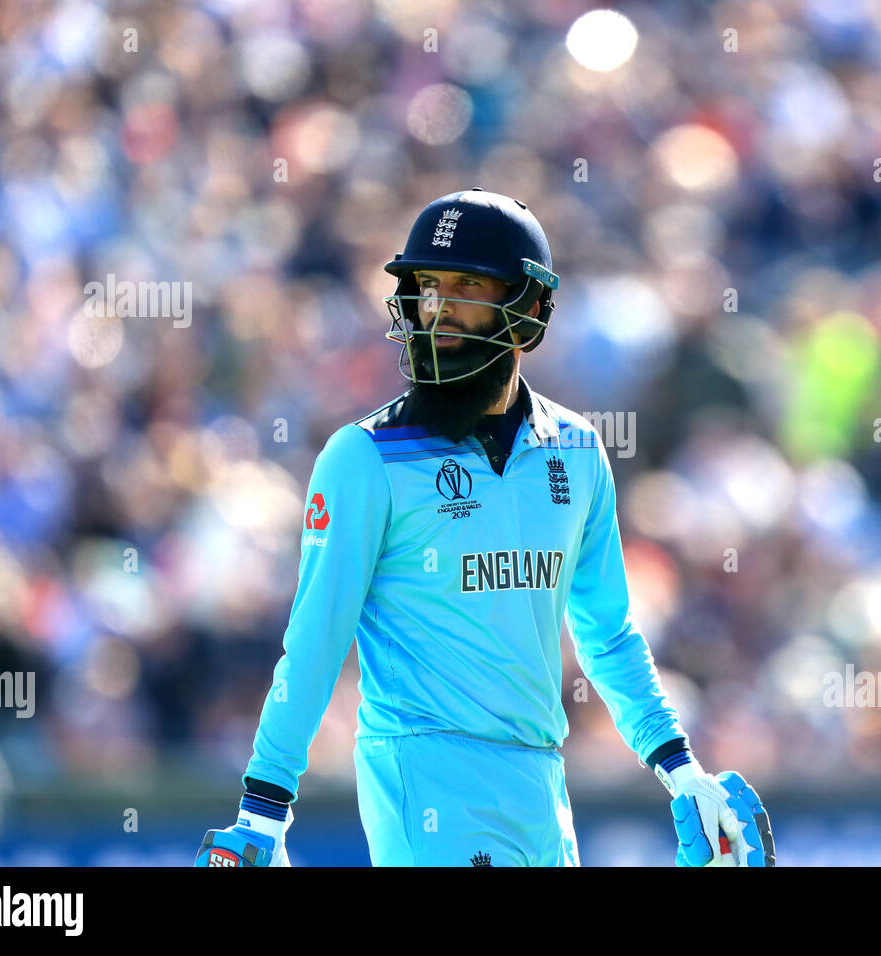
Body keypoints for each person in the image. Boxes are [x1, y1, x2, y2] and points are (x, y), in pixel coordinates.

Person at [195, 188, 773, 867]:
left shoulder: (578, 450)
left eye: (466, 286)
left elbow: (607, 634)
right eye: (426, 286)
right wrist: (263, 809)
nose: (438, 309)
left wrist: (682, 772)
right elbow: (315, 645)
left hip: (540, 783)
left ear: (529, 307)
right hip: (426, 779)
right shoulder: (363, 458)